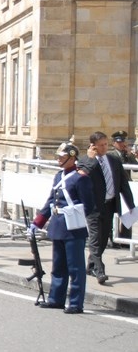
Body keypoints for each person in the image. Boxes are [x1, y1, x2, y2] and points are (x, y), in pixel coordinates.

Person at [30, 142, 96, 313]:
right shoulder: (59, 176)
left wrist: (71, 211)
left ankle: (75, 303)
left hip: (73, 227)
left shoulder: (81, 178)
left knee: (75, 268)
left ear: (72, 157)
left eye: (62, 156)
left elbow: (89, 205)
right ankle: (56, 299)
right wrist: (37, 222)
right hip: (58, 225)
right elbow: (51, 201)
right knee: (58, 267)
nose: (59, 159)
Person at [80, 131, 134, 285]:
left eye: (105, 144)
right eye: (101, 145)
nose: (104, 148)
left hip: (109, 205)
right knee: (96, 239)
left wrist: (130, 205)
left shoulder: (114, 160)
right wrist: (91, 159)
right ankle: (100, 270)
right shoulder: (86, 161)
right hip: (94, 206)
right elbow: (83, 176)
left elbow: (123, 183)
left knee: (104, 239)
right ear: (93, 146)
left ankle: (91, 266)